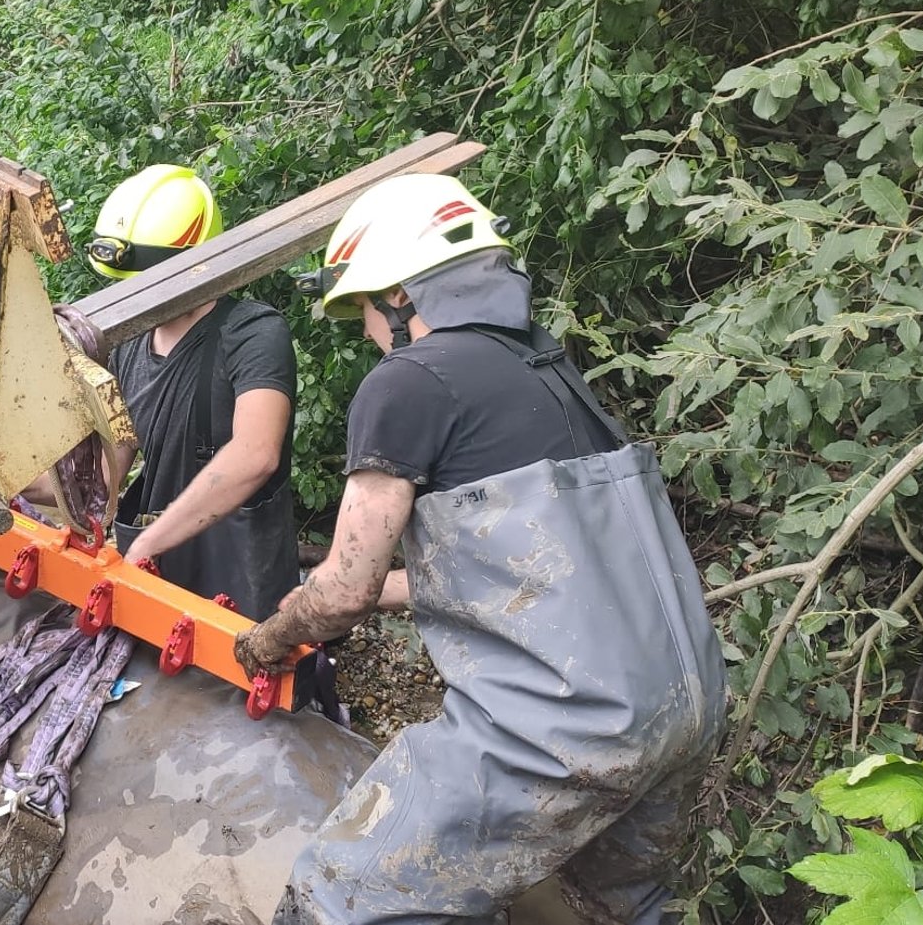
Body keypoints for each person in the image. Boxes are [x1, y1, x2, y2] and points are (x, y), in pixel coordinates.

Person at [232, 174, 726, 925]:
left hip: (569, 727)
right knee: (615, 908)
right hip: (682, 707)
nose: (366, 331)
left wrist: (271, 635)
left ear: (402, 296)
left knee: (340, 893)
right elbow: (521, 574)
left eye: (364, 307)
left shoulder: (409, 382)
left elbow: (344, 591)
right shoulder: (551, 372)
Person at [88, 165, 299, 620]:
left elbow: (256, 454)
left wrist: (148, 541)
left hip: (239, 571)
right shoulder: (129, 341)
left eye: (145, 280)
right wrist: (17, 476)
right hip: (159, 566)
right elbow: (110, 469)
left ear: (195, 264)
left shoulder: (252, 334)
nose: (135, 295)